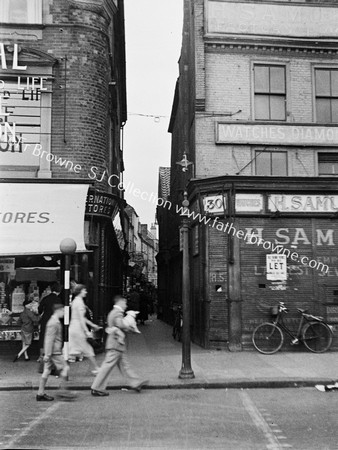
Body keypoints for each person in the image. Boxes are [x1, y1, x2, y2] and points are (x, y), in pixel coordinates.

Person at [91, 295, 148, 397]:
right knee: (107, 366)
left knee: (125, 365)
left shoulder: (113, 312)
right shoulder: (117, 313)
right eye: (125, 303)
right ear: (120, 302)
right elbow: (120, 325)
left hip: (117, 344)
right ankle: (96, 387)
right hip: (116, 344)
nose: (126, 306)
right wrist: (131, 329)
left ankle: (136, 383)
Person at [36, 303, 76, 401]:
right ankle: (63, 391)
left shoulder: (54, 321)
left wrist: (47, 354)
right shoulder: (53, 323)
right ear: (58, 311)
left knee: (46, 371)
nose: (63, 313)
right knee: (65, 368)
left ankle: (40, 393)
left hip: (52, 352)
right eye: (62, 311)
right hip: (54, 352)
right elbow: (49, 339)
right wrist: (48, 354)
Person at [68, 284, 101, 373]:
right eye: (84, 290)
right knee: (87, 350)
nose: (86, 292)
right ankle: (97, 368)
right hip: (78, 328)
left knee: (71, 350)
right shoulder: (79, 302)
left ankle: (58, 368)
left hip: (74, 327)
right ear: (80, 291)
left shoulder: (76, 301)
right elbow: (82, 318)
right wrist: (87, 331)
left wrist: (93, 325)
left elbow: (82, 318)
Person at [38, 282, 62, 362]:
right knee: (54, 337)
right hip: (54, 320)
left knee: (43, 337)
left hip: (45, 319)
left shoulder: (46, 298)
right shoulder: (58, 299)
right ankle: (51, 355)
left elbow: (40, 309)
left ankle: (41, 356)